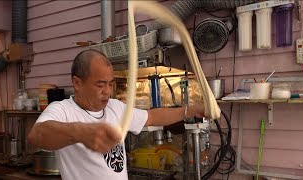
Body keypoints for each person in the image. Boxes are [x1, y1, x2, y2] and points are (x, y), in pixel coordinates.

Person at [27, 49, 205, 180]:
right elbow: (37, 135)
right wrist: (82, 132)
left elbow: (151, 117)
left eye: (111, 84)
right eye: (100, 84)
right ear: (77, 83)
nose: (107, 92)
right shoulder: (63, 109)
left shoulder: (115, 107)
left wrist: (190, 110)